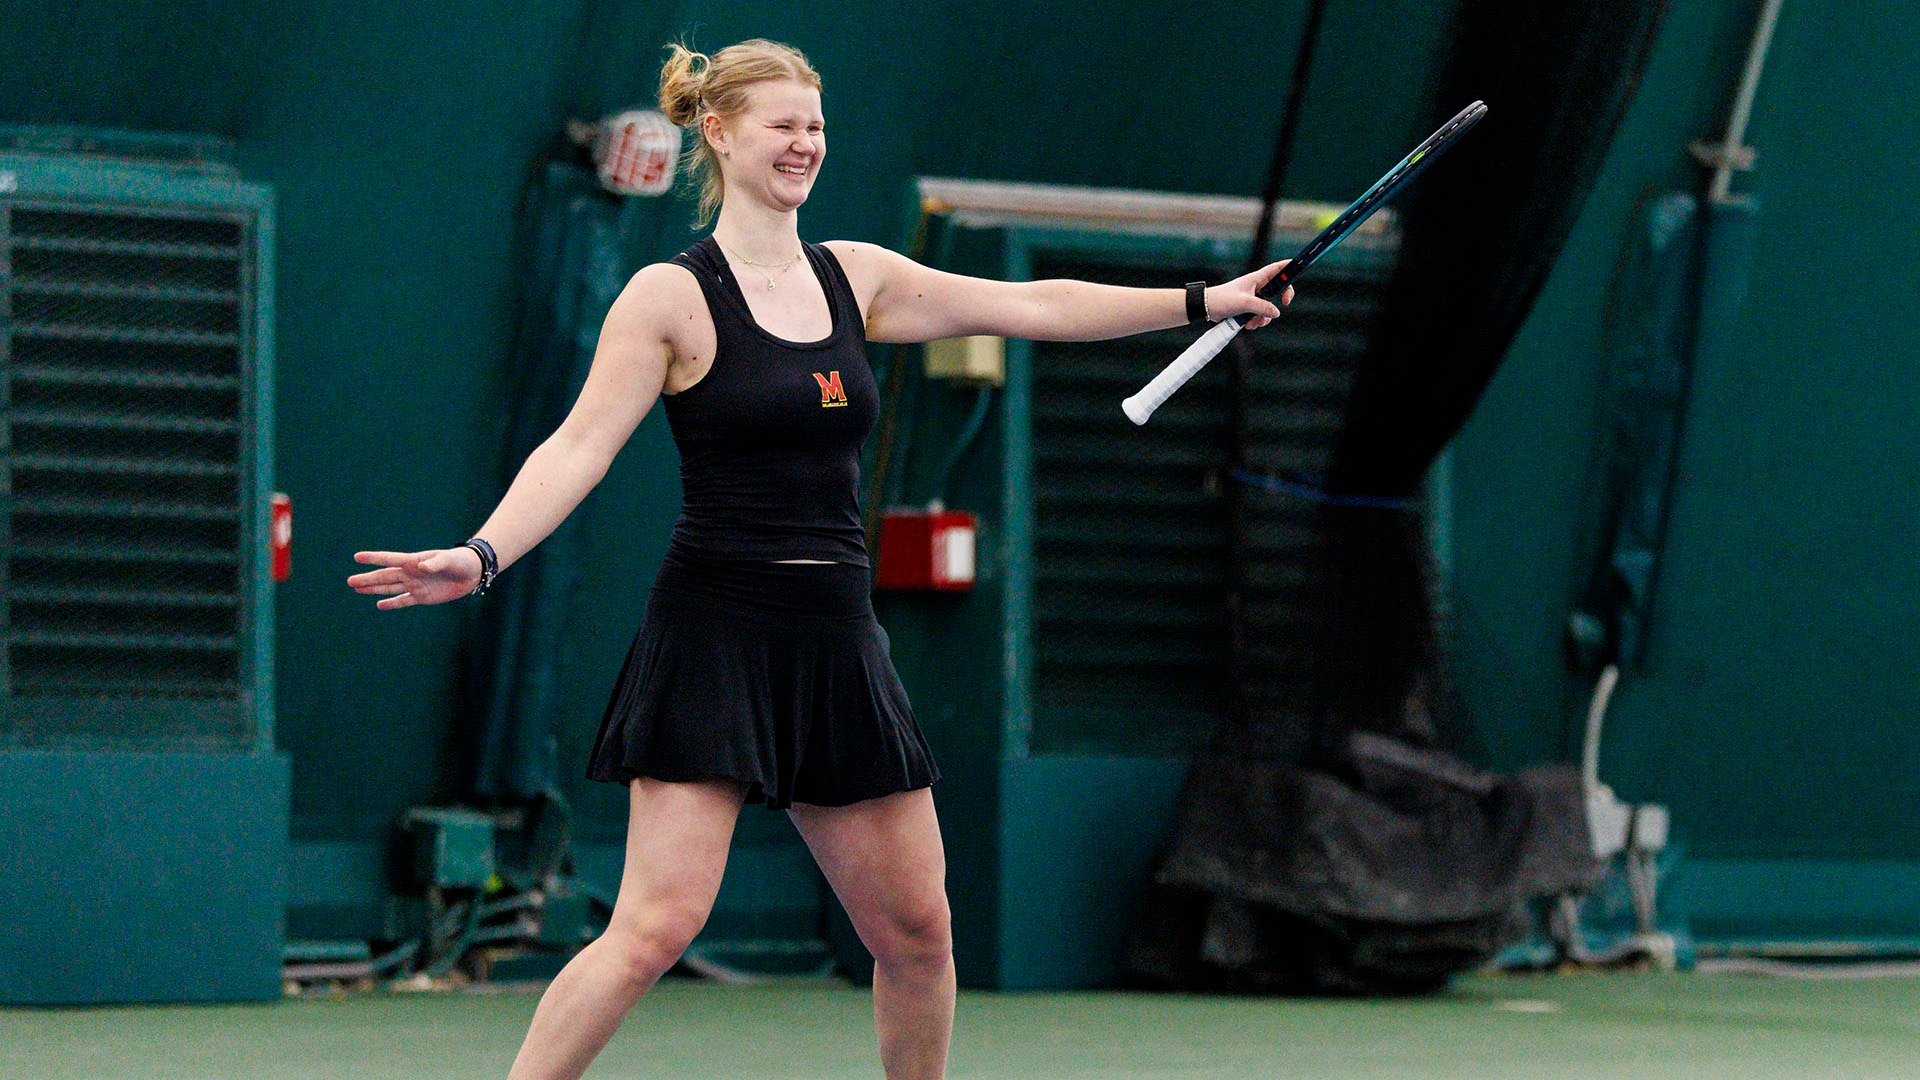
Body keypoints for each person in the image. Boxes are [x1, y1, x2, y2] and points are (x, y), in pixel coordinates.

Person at [348, 37, 1291, 1080]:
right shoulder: (668, 298)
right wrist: (482, 557)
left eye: (817, 127)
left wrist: (1205, 302)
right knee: (655, 927)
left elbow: (1033, 307)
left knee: (920, 937)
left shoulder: (861, 278)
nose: (806, 145)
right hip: (714, 633)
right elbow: (578, 447)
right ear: (719, 131)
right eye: (784, 125)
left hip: (838, 639)